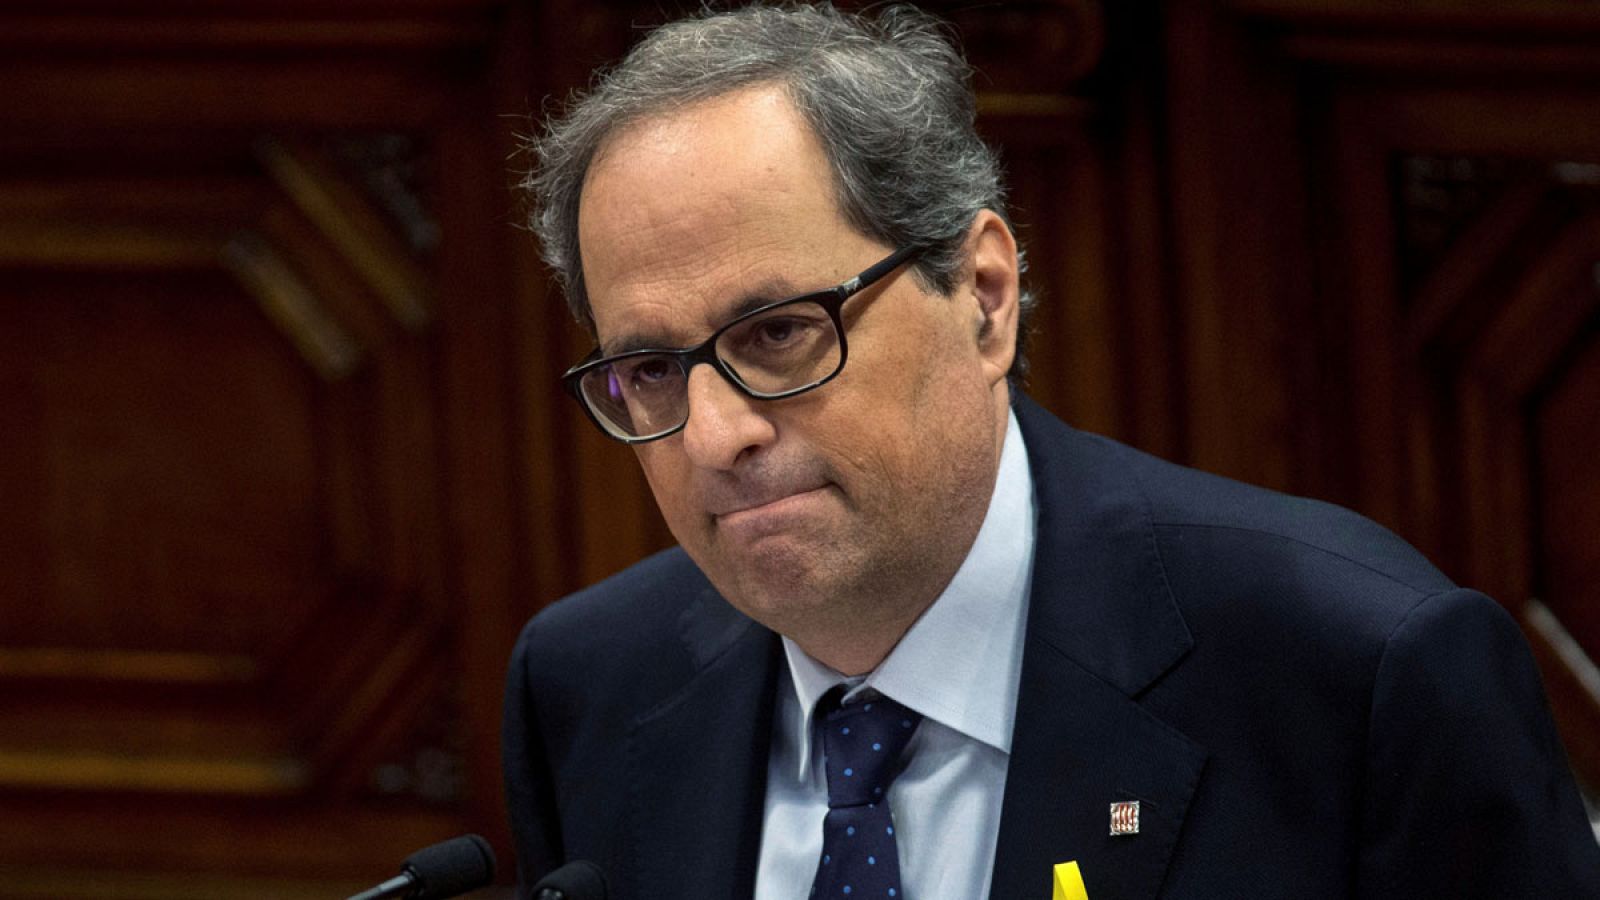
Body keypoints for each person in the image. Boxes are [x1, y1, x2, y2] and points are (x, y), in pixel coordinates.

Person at [501, 4, 1600, 898]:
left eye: (779, 334)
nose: (714, 434)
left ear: (983, 298)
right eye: (648, 369)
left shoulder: (1356, 676)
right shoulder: (589, 686)